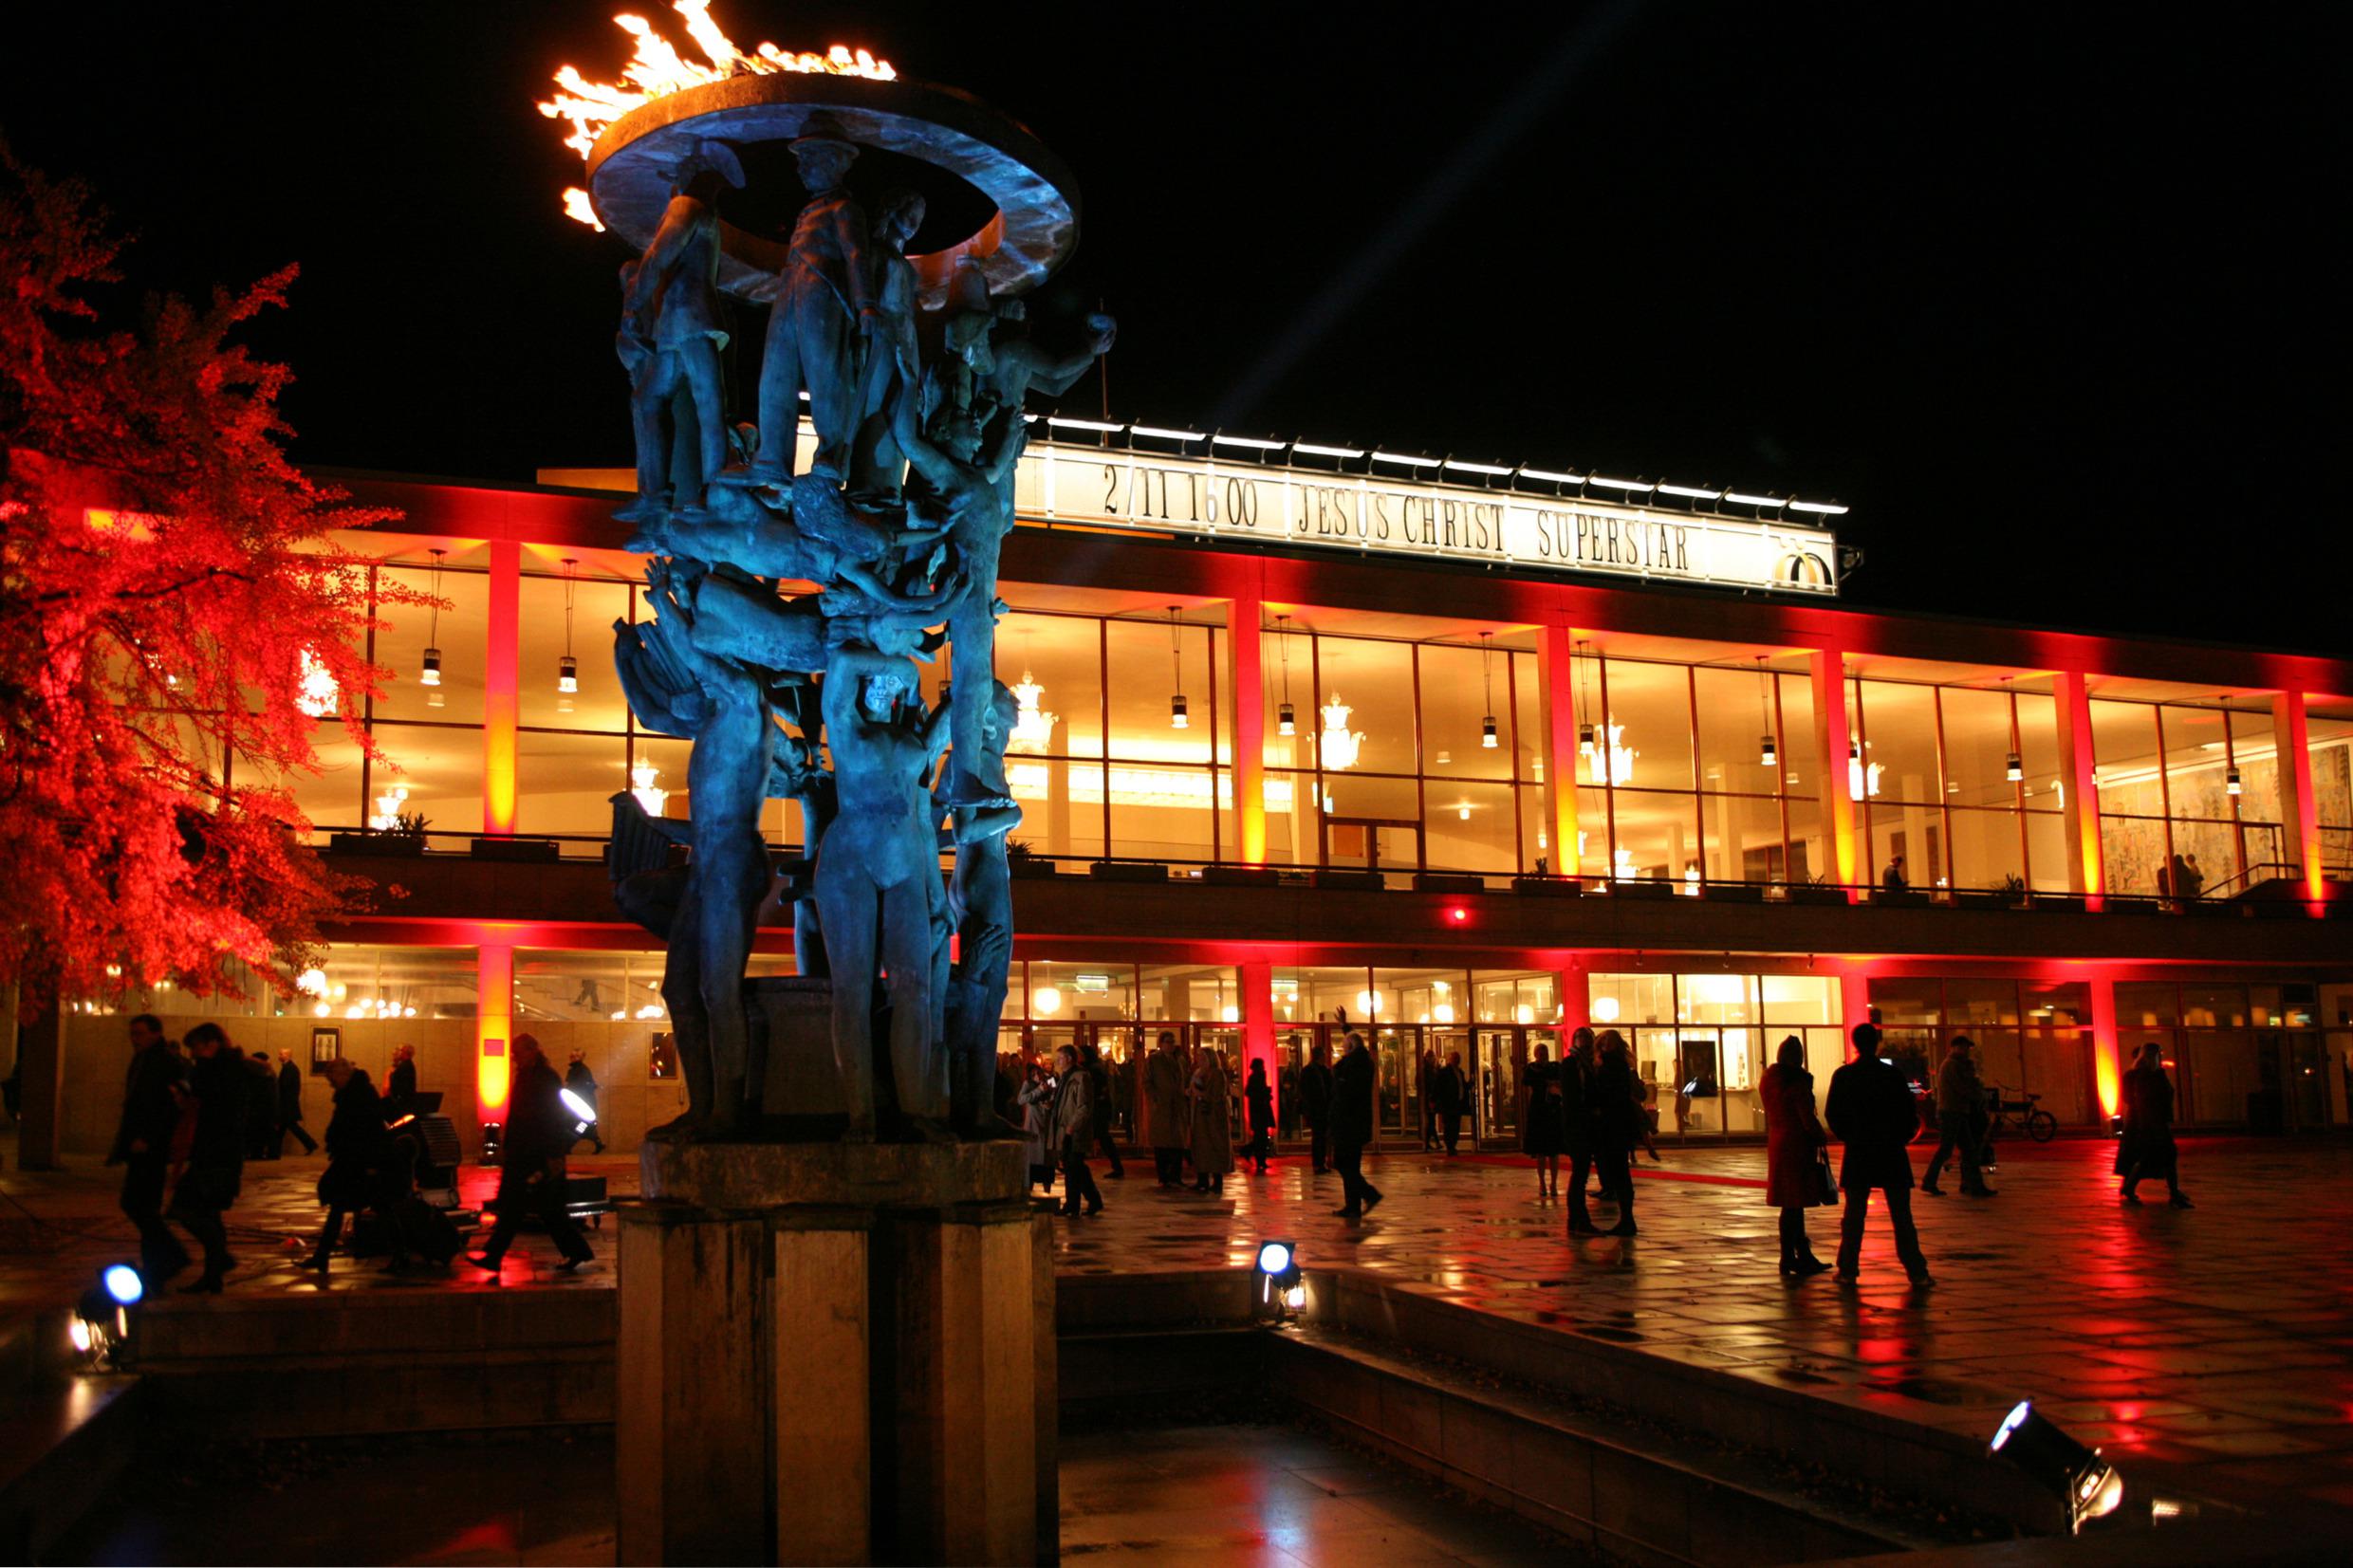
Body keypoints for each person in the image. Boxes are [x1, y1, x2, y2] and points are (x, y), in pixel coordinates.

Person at [469, 1036, 594, 1276]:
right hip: (528, 1153)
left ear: (533, 1051)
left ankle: (494, 1255)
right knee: (545, 1209)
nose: (515, 1057)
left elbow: (550, 1118)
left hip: (533, 1154)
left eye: (518, 1052)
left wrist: (552, 1154)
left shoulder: (542, 1078)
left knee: (520, 1208)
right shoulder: (534, 1077)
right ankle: (576, 1251)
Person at [1825, 1023, 1932, 1285]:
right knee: (1902, 1215)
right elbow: (1908, 1112)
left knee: (1854, 1214)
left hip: (1859, 1150)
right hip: (1891, 1150)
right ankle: (1916, 1271)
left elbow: (1833, 1113)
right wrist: (1901, 1136)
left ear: (1855, 1044)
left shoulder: (1845, 1075)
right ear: (1876, 1043)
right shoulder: (1892, 1075)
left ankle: (1848, 1268)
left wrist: (1849, 1136)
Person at [107, 1013, 190, 1289]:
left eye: (140, 1033)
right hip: (141, 1142)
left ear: (155, 1033)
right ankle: (157, 1264)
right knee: (143, 1205)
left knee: (137, 1203)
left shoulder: (163, 1062)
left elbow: (165, 1107)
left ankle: (171, 1255)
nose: (134, 1039)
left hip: (150, 1145)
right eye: (132, 1033)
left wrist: (149, 1137)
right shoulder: (144, 1059)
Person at [170, 1023, 247, 1294]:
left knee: (188, 1208)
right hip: (219, 1150)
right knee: (209, 1211)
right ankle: (214, 1270)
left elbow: (208, 1100)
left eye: (196, 1047)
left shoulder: (216, 1071)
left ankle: (218, 1261)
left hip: (216, 1151)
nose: (193, 1054)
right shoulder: (229, 1068)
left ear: (212, 1043)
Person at [308, 1060, 402, 1275]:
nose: (331, 1084)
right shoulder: (357, 1092)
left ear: (342, 1075)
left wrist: (371, 1164)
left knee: (374, 1207)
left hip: (360, 1161)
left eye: (332, 1079)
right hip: (356, 1160)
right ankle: (322, 1255)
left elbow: (368, 1131)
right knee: (366, 1206)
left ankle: (322, 1256)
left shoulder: (358, 1095)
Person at [1761, 1037, 1831, 1278]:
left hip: (1778, 1142)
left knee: (1790, 1203)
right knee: (1794, 1203)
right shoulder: (1796, 1083)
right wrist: (1820, 1135)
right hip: (1797, 1146)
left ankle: (1794, 1255)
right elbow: (1806, 1116)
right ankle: (1794, 1255)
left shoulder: (1770, 1080)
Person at [2117, 1041, 2192, 1208]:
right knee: (2164, 1155)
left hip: (2150, 1122)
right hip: (2153, 1123)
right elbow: (2147, 1100)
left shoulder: (2150, 1074)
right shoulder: (2149, 1076)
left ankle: (2131, 1187)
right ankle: (2173, 1193)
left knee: (2152, 1156)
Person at [1920, 1037, 1994, 1197]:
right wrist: (1977, 1095)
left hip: (1956, 1111)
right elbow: (1962, 1088)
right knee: (1951, 1149)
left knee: (1965, 1149)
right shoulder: (1952, 1065)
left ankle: (1972, 1185)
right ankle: (1932, 1182)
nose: (1966, 1051)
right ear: (1954, 1048)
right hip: (1952, 1112)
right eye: (1963, 1047)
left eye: (1967, 1048)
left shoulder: (1956, 1065)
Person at [1590, 1031, 1640, 1237]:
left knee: (1620, 1171)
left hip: (1614, 1122)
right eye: (1602, 1040)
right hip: (1614, 1122)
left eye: (1608, 1041)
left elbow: (1610, 1093)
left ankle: (1627, 1218)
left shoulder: (1613, 1064)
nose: (1604, 1043)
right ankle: (1626, 1218)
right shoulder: (1609, 1063)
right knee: (1618, 1171)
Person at [1331, 1032, 1383, 1219]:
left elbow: (1346, 1092)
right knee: (1351, 1165)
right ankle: (1353, 1206)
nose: (1342, 1049)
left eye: (1345, 1045)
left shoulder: (1355, 1065)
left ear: (1351, 1047)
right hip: (1354, 1123)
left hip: (1349, 1123)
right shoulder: (1361, 1061)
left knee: (1342, 1163)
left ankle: (1369, 1194)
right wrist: (1346, 1028)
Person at [1051, 1045, 1102, 1218]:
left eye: (1060, 1058)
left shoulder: (1081, 1077)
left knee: (1074, 1167)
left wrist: (1072, 1126)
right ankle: (1092, 1200)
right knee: (1075, 1168)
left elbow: (1084, 1106)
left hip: (1074, 1131)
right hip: (1065, 1130)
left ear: (1069, 1059)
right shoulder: (1064, 1077)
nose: (1057, 1061)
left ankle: (1073, 1204)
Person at [1561, 1027, 1600, 1234]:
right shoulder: (1572, 1064)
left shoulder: (1591, 1063)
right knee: (1580, 1174)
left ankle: (1577, 1219)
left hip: (1586, 1124)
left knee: (1581, 1173)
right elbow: (1573, 1096)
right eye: (1581, 1038)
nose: (1585, 1042)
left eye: (1588, 1038)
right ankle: (1578, 1218)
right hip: (1578, 1124)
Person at [1143, 1032, 1189, 1188]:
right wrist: (1155, 1098)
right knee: (1162, 1144)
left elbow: (1185, 1078)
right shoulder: (1153, 1060)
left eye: (1173, 1042)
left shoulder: (1180, 1060)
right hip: (1162, 1106)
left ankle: (1176, 1175)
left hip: (1178, 1105)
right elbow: (1147, 1081)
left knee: (1178, 1143)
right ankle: (1163, 1176)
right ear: (1161, 1043)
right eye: (1168, 1042)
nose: (1171, 1045)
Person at [1188, 1046, 1235, 1195]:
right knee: (1201, 1146)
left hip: (1214, 1116)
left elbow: (1216, 1095)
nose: (1200, 1060)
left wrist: (1200, 1094)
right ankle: (1202, 1179)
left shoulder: (1217, 1074)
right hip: (1200, 1116)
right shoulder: (1198, 1073)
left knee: (1214, 1145)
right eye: (1198, 1057)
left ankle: (1217, 1180)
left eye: (1203, 1057)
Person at [1522, 1042, 1565, 1199]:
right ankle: (1542, 1182)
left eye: (1545, 1052)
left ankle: (1553, 1183)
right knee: (1540, 1151)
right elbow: (1526, 1081)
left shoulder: (1555, 1067)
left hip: (1552, 1110)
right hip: (1538, 1110)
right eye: (1540, 1053)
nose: (1543, 1055)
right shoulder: (1531, 1069)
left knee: (1553, 1151)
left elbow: (1562, 1080)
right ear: (1535, 1055)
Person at [1017, 1060, 1057, 1194]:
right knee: (1033, 1160)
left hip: (1047, 1124)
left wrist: (1051, 1104)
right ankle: (1029, 1192)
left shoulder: (1050, 1080)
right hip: (1033, 1125)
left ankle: (1047, 1192)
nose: (1037, 1076)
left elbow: (1056, 1095)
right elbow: (1021, 1099)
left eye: (1038, 1073)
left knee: (1047, 1161)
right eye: (1033, 1074)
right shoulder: (1028, 1084)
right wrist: (1038, 1091)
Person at [1086, 1043, 1124, 1179]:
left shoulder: (1094, 1070)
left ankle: (1117, 1166)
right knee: (1104, 1139)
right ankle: (1117, 1166)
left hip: (1098, 1111)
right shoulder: (1098, 1068)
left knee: (1102, 1138)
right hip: (1100, 1110)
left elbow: (1098, 1091)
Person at [1298, 1040, 1334, 1174]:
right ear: (1320, 1056)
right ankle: (1319, 1163)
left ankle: (1320, 1163)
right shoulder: (1320, 1071)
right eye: (1324, 1055)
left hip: (1317, 1109)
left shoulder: (1309, 1070)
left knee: (1319, 1137)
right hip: (1319, 1109)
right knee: (1320, 1137)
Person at [565, 1049, 606, 1154]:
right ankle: (596, 1142)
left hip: (581, 1103)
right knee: (581, 1125)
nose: (573, 1058)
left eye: (576, 1056)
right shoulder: (579, 1070)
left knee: (577, 1125)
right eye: (572, 1056)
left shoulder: (579, 1070)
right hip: (582, 1102)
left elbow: (575, 1086)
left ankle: (569, 1145)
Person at [277, 1050, 317, 1156]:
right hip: (289, 1104)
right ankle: (310, 1144)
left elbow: (284, 1086)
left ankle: (275, 1151)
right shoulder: (290, 1068)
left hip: (287, 1104)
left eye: (281, 1054)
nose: (279, 1055)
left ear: (287, 1056)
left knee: (286, 1128)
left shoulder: (289, 1068)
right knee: (288, 1128)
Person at [244, 1049, 280, 1160]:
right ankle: (268, 1153)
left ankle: (258, 1153)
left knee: (259, 1130)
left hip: (260, 1107)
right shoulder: (269, 1072)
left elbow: (256, 1091)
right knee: (266, 1131)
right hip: (268, 1106)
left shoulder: (261, 1073)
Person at [1243, 1059, 1275, 1175]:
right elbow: (1251, 1092)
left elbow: (1249, 1092)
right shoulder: (1257, 1077)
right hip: (1260, 1111)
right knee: (1261, 1137)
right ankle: (1258, 1158)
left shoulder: (1256, 1077)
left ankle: (1259, 1159)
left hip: (1259, 1111)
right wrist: (1265, 1094)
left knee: (1260, 1137)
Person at [1432, 1050, 1468, 1154]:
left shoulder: (1460, 1072)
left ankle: (1453, 1145)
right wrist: (1434, 1100)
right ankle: (1450, 1146)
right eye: (1455, 1058)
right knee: (1449, 1125)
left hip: (1458, 1103)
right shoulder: (1445, 1072)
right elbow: (1438, 1087)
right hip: (1448, 1103)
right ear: (1450, 1060)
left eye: (1458, 1059)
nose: (1457, 1061)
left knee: (1456, 1125)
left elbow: (1462, 1085)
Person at [384, 1043, 418, 1121]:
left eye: (401, 1051)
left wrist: (389, 1076)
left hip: (401, 1105)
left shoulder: (404, 1066)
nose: (398, 1053)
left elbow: (394, 1087)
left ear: (404, 1053)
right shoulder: (408, 1065)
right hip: (406, 1103)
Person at [1418, 1047, 1439, 1149]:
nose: (1434, 1059)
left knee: (1431, 1121)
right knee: (1431, 1121)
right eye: (1432, 1057)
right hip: (1429, 1098)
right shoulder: (1427, 1070)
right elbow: (1431, 1084)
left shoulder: (1428, 1069)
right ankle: (1432, 1142)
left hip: (1429, 1098)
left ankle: (1428, 1143)